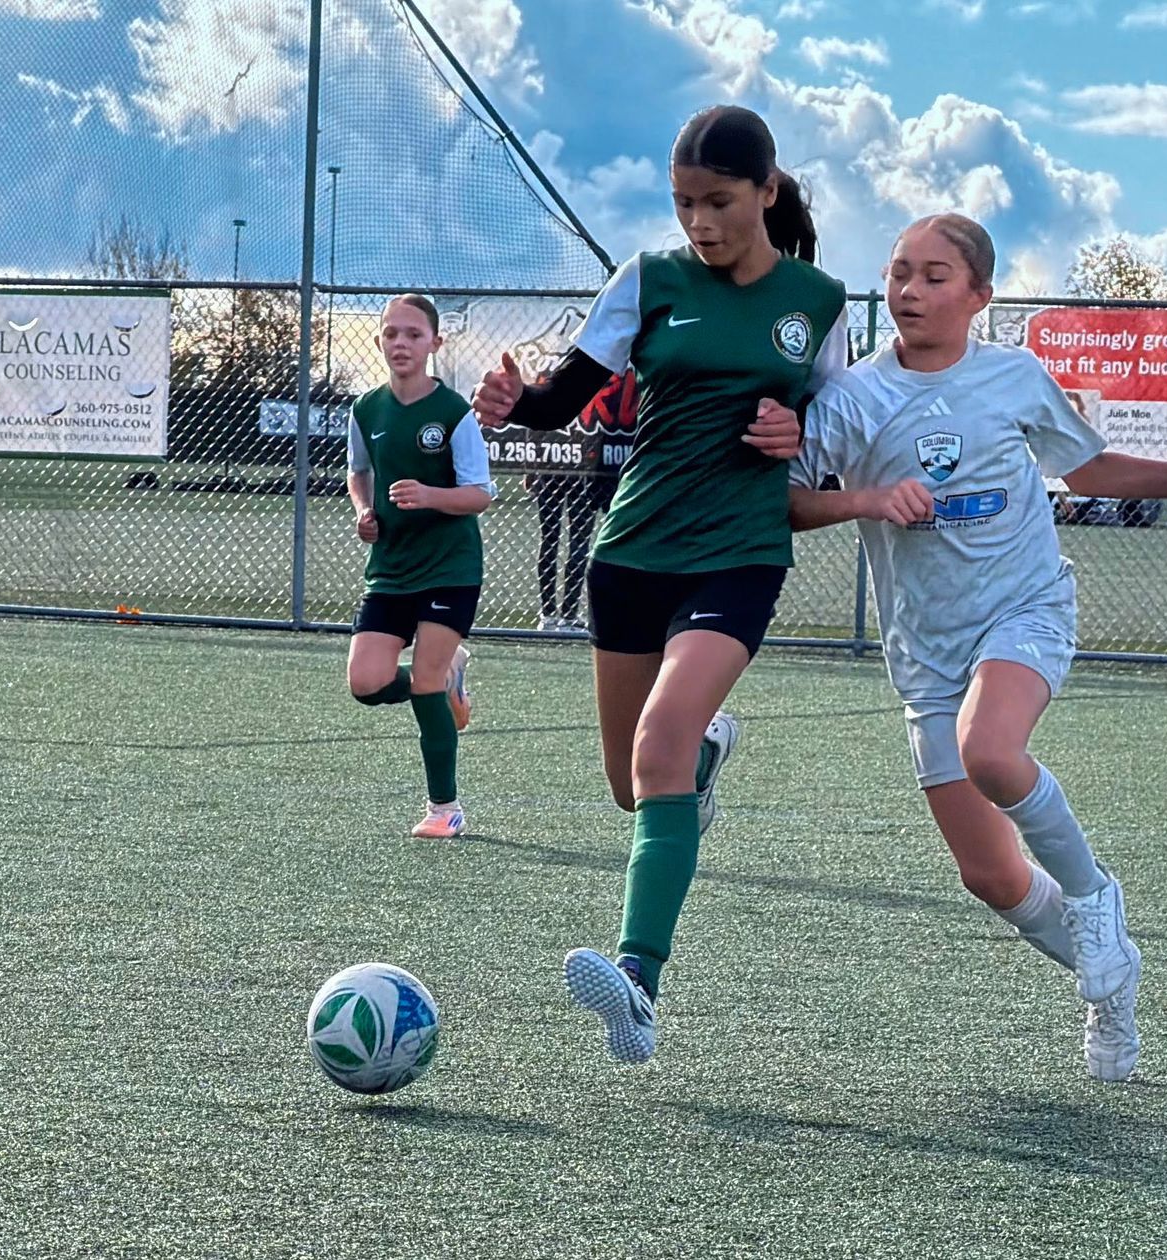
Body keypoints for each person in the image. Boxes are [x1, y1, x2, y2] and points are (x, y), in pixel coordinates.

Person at [784, 213, 1167, 1082]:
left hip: (1024, 608)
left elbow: (1087, 472)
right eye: (900, 272)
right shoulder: (853, 399)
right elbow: (791, 500)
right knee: (992, 877)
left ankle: (1097, 898)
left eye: (936, 276)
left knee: (992, 749)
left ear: (979, 296)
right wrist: (868, 502)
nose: (911, 290)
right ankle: (1110, 988)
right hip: (926, 655)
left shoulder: (1014, 376)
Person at [473, 105, 850, 1063]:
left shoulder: (822, 302)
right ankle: (703, 762)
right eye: (684, 204)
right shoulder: (646, 278)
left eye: (718, 202)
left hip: (739, 553)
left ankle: (637, 983)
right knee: (630, 787)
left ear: (767, 192)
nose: (700, 224)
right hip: (631, 553)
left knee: (658, 742)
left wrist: (800, 438)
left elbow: (837, 440)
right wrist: (519, 406)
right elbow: (568, 393)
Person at [346, 294, 495, 840]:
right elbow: (359, 474)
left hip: (449, 567)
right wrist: (365, 511)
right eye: (391, 334)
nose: (400, 343)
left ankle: (445, 807)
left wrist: (431, 495)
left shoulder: (454, 413)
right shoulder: (366, 410)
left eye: (412, 334)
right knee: (366, 683)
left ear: (435, 342)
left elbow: (479, 494)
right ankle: (448, 676)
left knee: (426, 682)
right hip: (391, 567)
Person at [525, 463, 593, 631]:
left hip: (550, 467)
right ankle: (568, 615)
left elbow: (537, 437)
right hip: (581, 470)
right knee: (578, 542)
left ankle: (548, 615)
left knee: (550, 539)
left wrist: (531, 469)